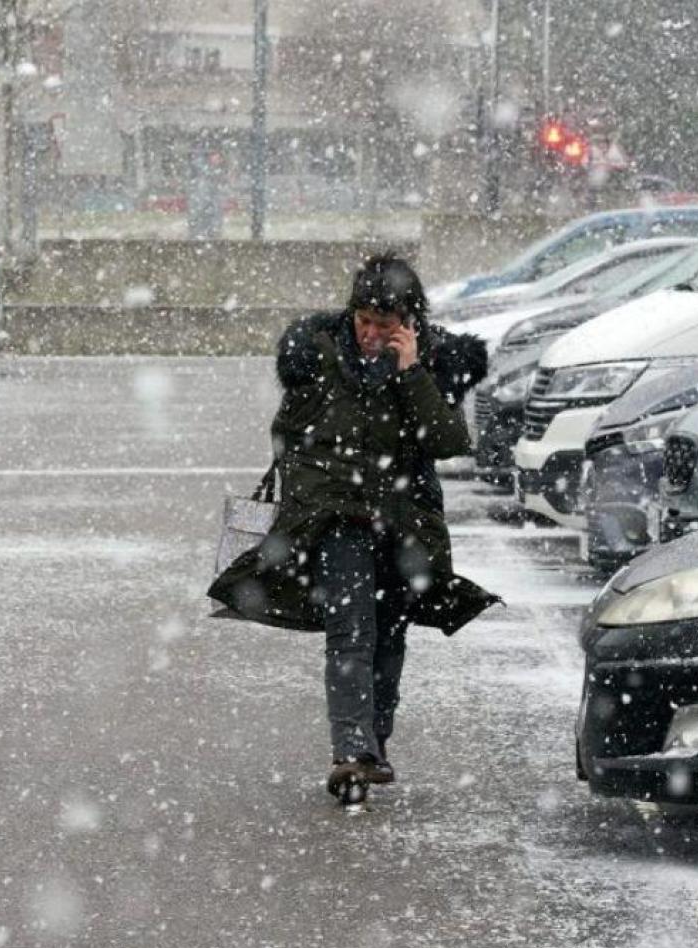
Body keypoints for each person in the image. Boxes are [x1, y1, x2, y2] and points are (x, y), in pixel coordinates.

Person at [209, 254, 499, 798]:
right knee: (351, 632)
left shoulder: (435, 358)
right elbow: (289, 432)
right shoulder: (316, 351)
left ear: (409, 322)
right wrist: (314, 489)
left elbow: (449, 443)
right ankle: (351, 750)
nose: (369, 334)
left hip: (402, 520)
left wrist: (412, 372)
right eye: (363, 320)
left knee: (389, 634)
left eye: (383, 326)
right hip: (336, 516)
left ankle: (375, 745)